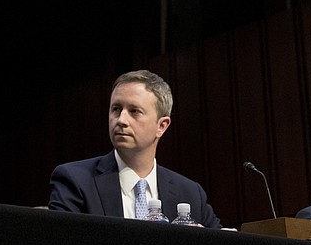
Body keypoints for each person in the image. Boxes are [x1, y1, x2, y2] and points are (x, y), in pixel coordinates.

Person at [48, 69, 222, 228]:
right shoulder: (76, 181)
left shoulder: (190, 193)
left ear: (161, 126)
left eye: (134, 111)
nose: (121, 120)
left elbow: (223, 244)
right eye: (116, 109)